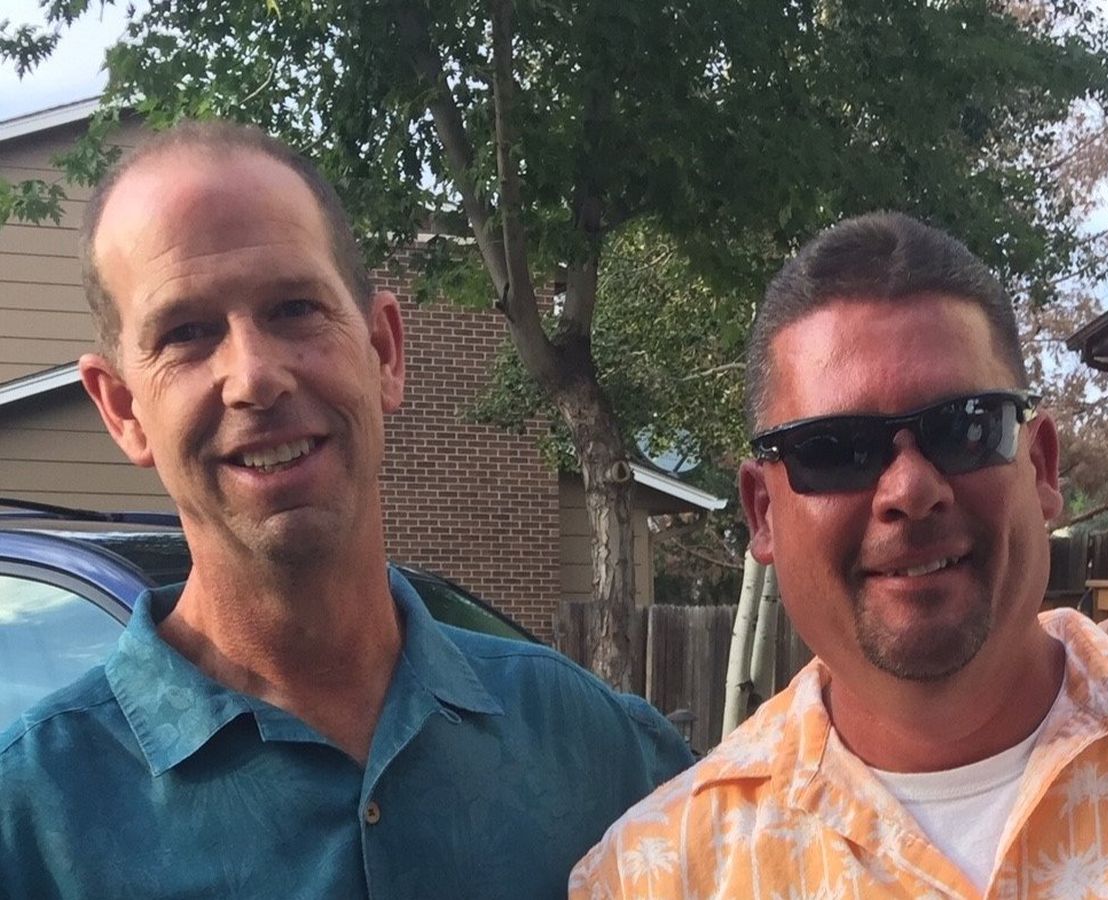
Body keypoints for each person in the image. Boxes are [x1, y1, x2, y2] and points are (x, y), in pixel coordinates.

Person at [0, 120, 694, 899]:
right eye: (187, 333)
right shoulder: (32, 829)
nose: (254, 377)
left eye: (295, 308)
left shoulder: (599, 755)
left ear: (385, 352)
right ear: (123, 409)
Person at [572, 212, 1108, 898]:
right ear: (762, 512)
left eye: (965, 428)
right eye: (835, 449)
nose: (910, 489)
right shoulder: (657, 876)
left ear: (1042, 467)